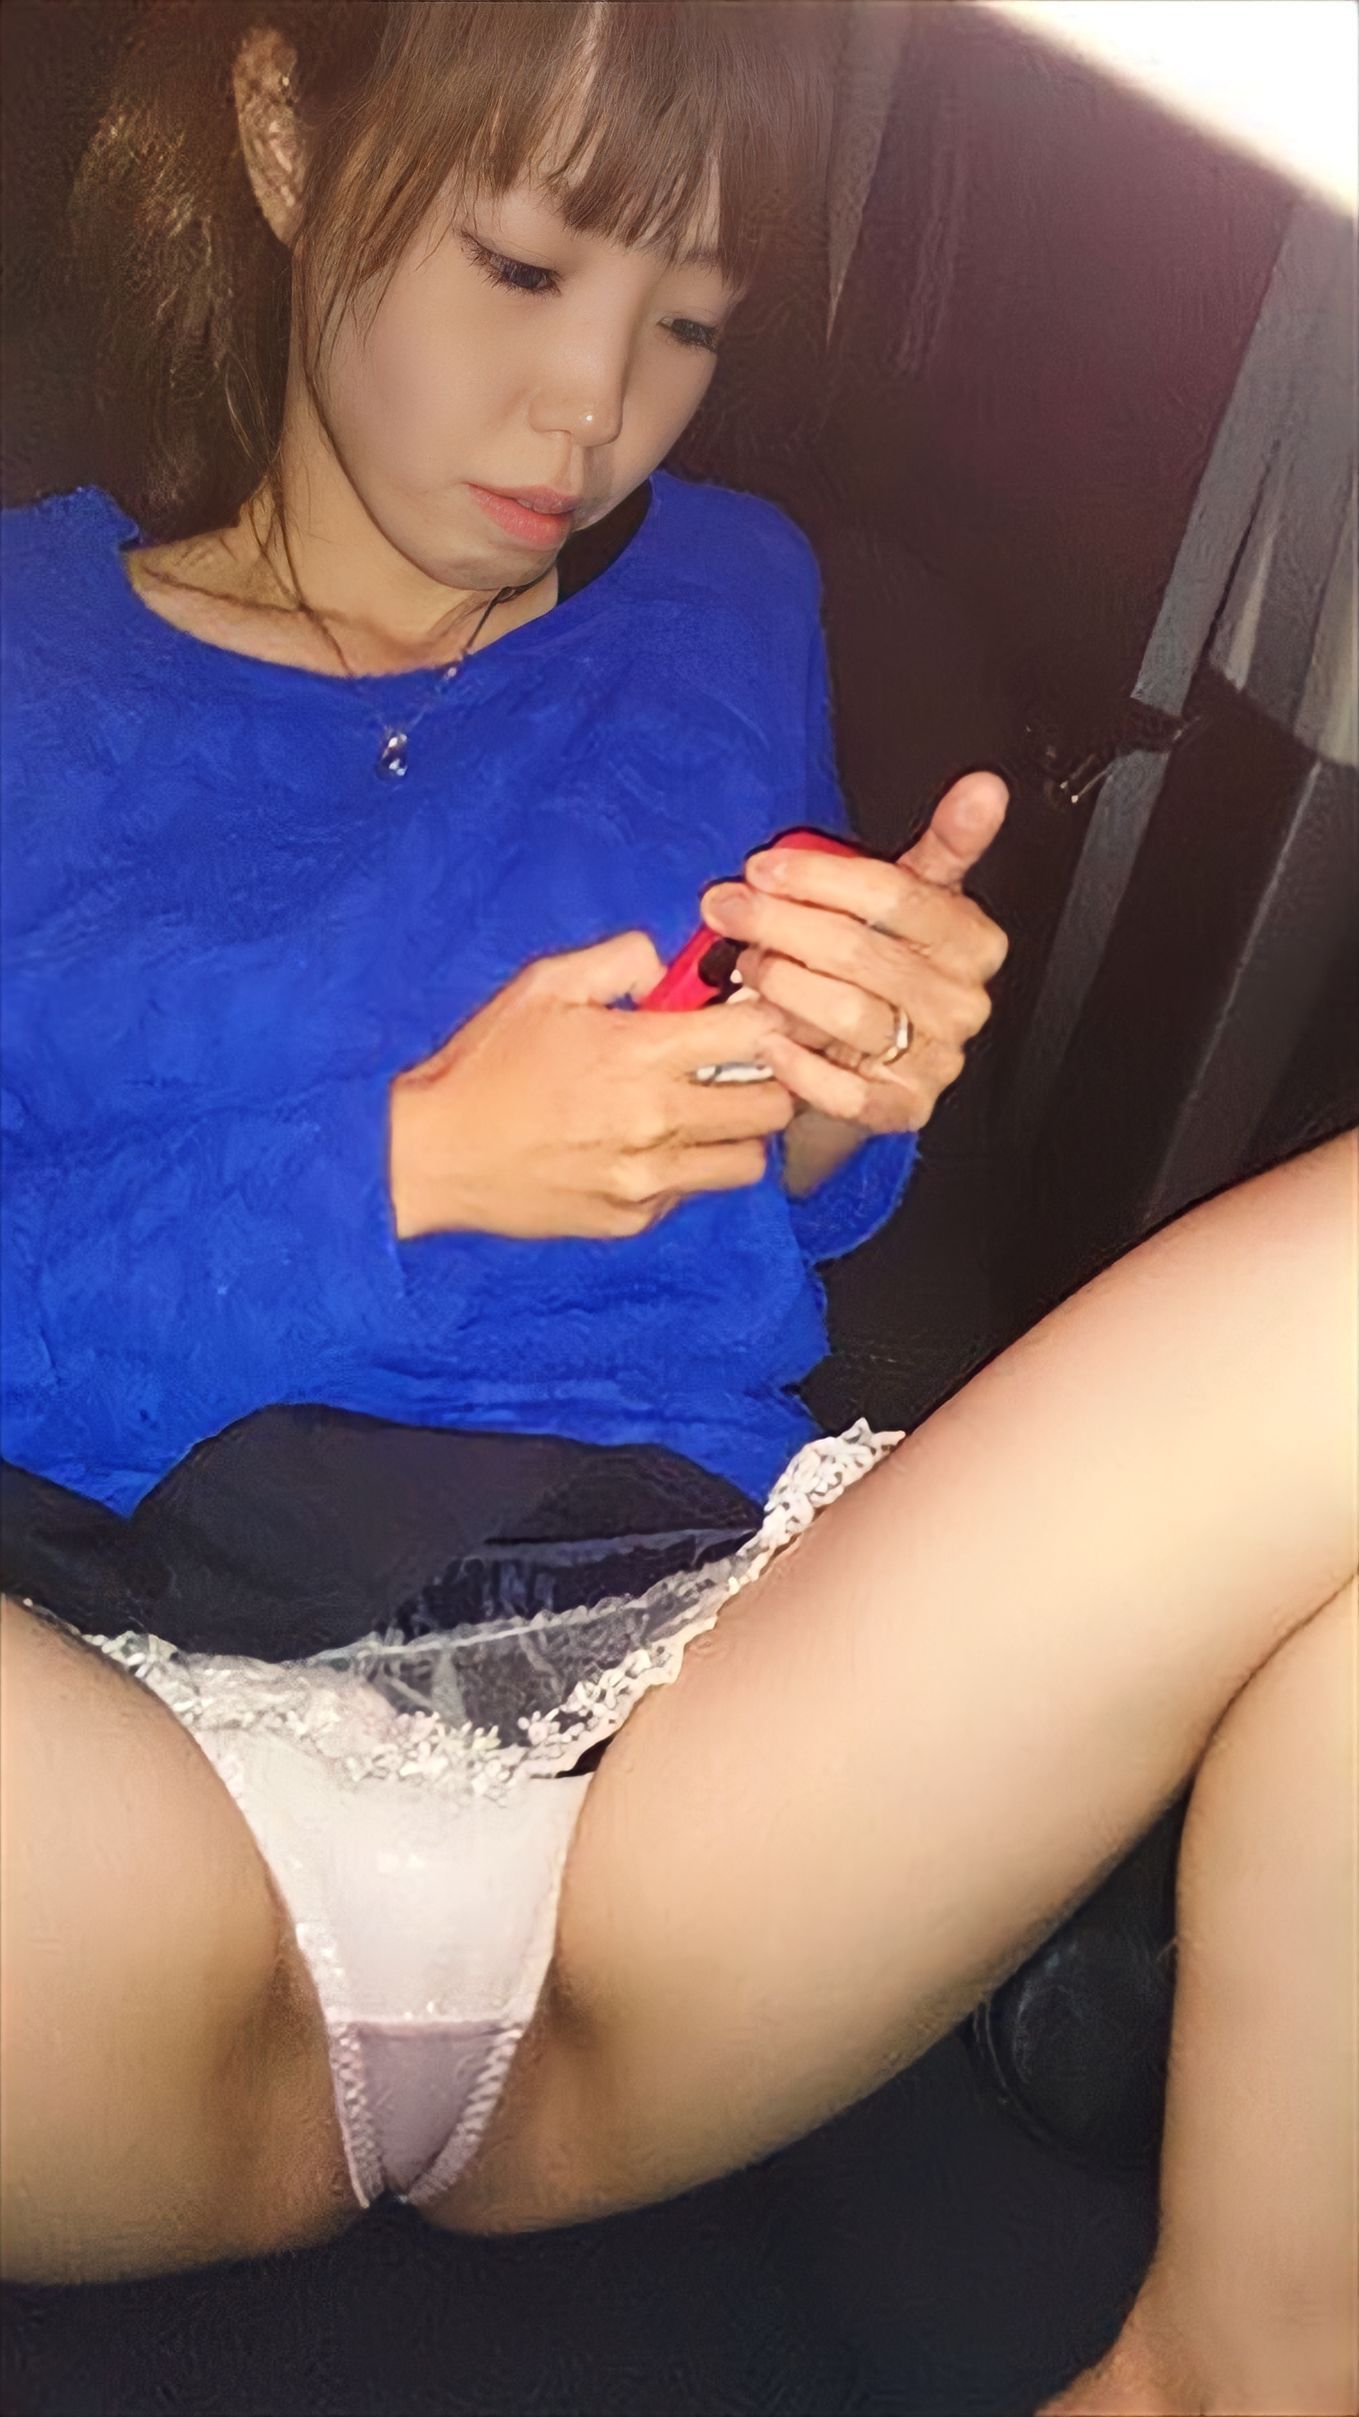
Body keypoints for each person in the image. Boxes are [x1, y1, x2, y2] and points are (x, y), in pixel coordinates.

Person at [1, 9, 1355, 2416]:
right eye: (523, 270)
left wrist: (843, 1088)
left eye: (689, 323)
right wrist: (403, 1169)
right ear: (287, 135)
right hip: (117, 1782)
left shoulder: (728, 590)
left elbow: (774, 1204)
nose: (592, 417)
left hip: (699, 1761)